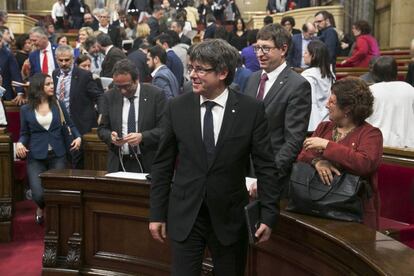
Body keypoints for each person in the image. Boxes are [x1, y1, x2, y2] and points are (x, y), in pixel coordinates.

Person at [149, 38, 279, 276]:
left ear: (222, 73)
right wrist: (156, 214)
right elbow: (162, 166)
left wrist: (269, 215)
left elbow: (266, 167)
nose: (192, 75)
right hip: (186, 216)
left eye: (200, 69)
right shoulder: (176, 107)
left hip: (230, 219)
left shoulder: (251, 110)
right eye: (191, 68)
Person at [298, 77, 383, 229]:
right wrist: (317, 162)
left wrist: (327, 146)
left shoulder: (371, 134)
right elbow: (303, 155)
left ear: (348, 108)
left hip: (354, 212)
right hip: (317, 205)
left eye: (332, 102)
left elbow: (364, 164)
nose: (326, 105)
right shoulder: (324, 127)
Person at [244, 23, 311, 196]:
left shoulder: (297, 85)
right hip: (245, 171)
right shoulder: (253, 79)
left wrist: (269, 177)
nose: (259, 54)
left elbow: (293, 140)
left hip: (273, 175)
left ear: (283, 49)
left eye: (265, 49)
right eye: (257, 48)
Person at [15, 73, 81, 224]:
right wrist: (20, 143)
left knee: (57, 191)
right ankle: (40, 206)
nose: (52, 86)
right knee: (38, 194)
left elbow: (70, 124)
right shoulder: (25, 109)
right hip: (36, 156)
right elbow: (24, 133)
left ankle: (55, 221)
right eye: (48, 84)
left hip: (58, 154)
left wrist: (78, 137)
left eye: (52, 83)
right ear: (39, 87)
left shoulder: (58, 104)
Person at [98, 59, 166, 173]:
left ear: (136, 80)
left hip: (148, 162)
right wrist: (111, 136)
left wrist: (142, 137)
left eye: (126, 86)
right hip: (118, 163)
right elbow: (102, 129)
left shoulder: (155, 95)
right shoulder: (109, 96)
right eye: (118, 86)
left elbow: (165, 129)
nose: (123, 91)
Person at [52, 45, 103, 168]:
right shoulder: (55, 74)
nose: (64, 63)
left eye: (67, 60)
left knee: (78, 160)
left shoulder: (84, 75)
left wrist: (102, 114)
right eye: (60, 60)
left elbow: (99, 96)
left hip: (80, 123)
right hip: (61, 124)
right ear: (56, 59)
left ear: (73, 59)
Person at [366, 56, 414, 148]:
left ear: (374, 74)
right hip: (408, 144)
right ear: (396, 73)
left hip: (376, 145)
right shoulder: (409, 88)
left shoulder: (370, 91)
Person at [301, 40, 335, 132]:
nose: (303, 55)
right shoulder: (329, 73)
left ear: (313, 55)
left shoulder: (308, 75)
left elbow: (309, 103)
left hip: (313, 123)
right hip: (328, 118)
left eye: (306, 52)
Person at [0, 30, 25, 103]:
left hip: (4, 95)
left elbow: (16, 74)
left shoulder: (8, 54)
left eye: (0, 41)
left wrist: (20, 92)